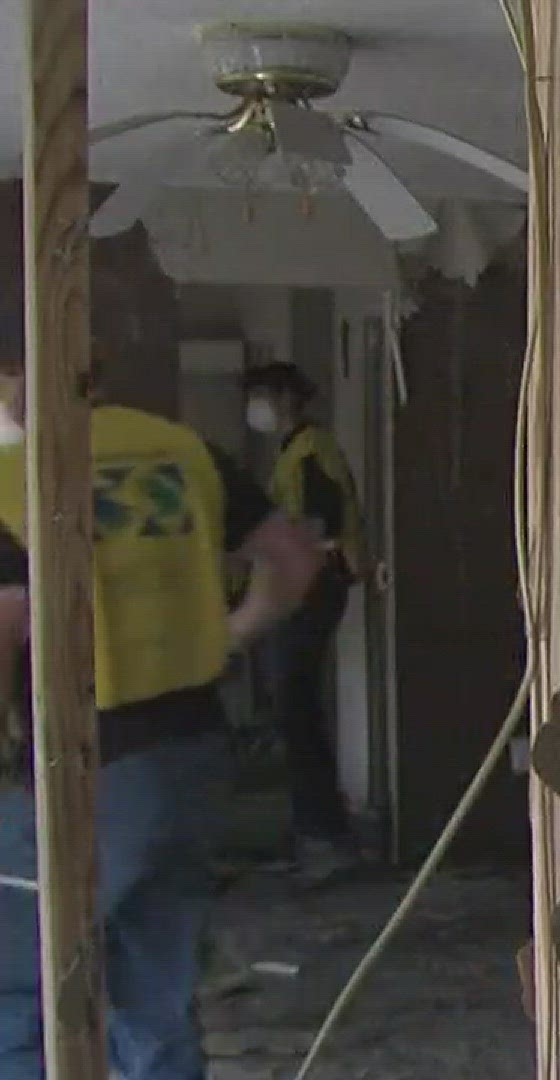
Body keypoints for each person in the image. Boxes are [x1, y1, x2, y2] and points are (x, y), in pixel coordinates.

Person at [0, 342, 322, 1080]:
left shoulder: (12, 469)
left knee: (18, 988)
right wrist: (228, 635)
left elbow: (7, 615)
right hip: (190, 747)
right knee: (157, 992)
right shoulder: (180, 449)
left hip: (75, 760)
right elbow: (294, 561)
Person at [240, 362, 366, 884]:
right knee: (292, 707)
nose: (257, 410)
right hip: (307, 585)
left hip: (315, 586)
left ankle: (325, 837)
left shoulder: (313, 451)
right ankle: (313, 832)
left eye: (262, 397)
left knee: (296, 706)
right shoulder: (295, 451)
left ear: (286, 398)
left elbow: (319, 528)